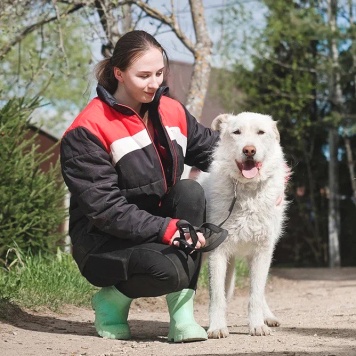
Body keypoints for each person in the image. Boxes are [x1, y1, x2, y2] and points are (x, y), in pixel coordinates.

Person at [60, 30, 219, 343]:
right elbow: (106, 211)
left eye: (159, 73)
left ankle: (182, 317)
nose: (154, 83)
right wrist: (167, 229)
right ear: (118, 73)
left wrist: (266, 165)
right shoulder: (86, 130)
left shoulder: (171, 110)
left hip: (157, 228)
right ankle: (112, 299)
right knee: (168, 272)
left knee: (190, 192)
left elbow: (217, 152)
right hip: (102, 242)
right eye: (143, 75)